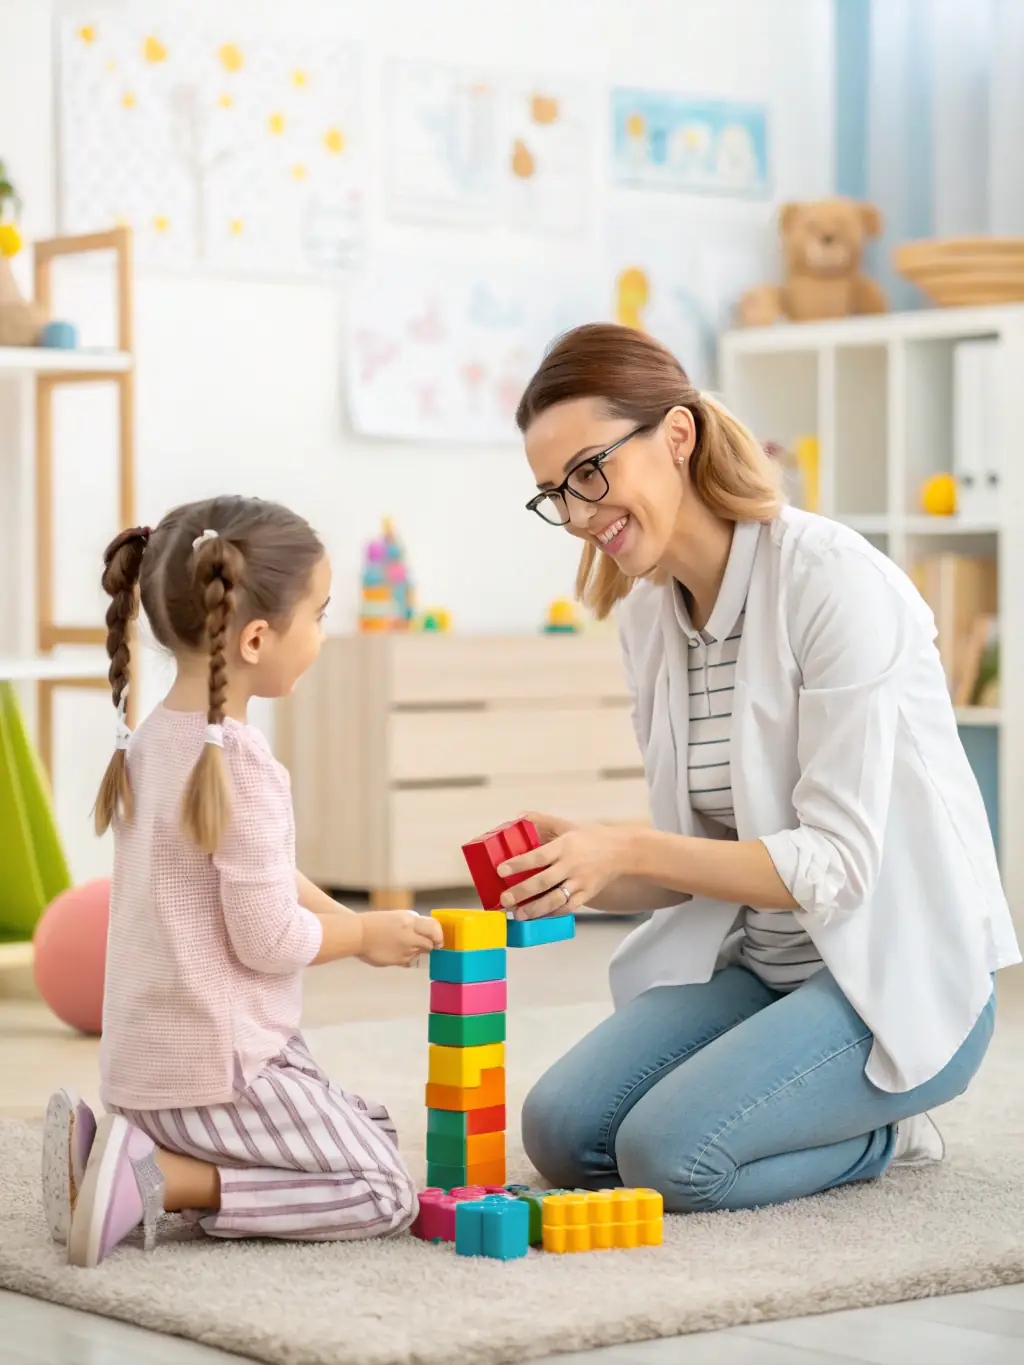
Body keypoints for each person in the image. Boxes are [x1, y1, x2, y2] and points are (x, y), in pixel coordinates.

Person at [499, 323, 1020, 1214]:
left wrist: (628, 846)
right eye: (556, 493)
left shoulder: (831, 581)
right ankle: (799, 1104)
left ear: (676, 435)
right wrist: (582, 863)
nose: (581, 515)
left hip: (887, 975)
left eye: (591, 473)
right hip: (763, 970)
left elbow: (837, 866)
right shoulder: (650, 619)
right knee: (563, 1131)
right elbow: (696, 870)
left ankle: (885, 1130)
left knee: (670, 1157)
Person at [41, 496, 443, 1267]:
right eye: (320, 616)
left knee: (370, 1121)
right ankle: (155, 1176)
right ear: (257, 637)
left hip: (145, 1071)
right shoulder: (243, 767)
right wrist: (360, 932)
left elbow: (257, 874)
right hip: (216, 1073)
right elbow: (268, 938)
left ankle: (126, 1154)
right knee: (382, 1186)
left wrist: (350, 924)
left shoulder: (155, 739)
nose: (324, 635)